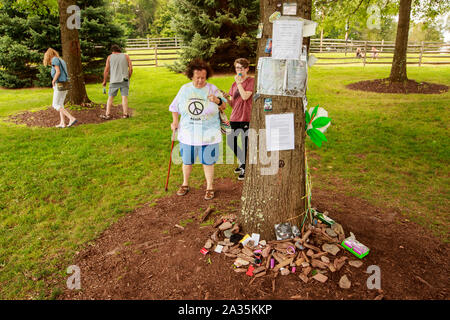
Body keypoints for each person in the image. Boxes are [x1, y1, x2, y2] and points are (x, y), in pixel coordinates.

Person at [169, 59, 226, 200]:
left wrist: (217, 100)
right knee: (187, 160)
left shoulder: (213, 89)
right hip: (189, 132)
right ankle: (185, 184)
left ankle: (210, 187)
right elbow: (174, 107)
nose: (200, 80)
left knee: (208, 161)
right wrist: (175, 121)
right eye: (197, 78)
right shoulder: (185, 89)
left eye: (203, 78)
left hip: (208, 132)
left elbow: (224, 106)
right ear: (191, 76)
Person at [224, 58, 254, 181]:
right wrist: (227, 98)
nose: (239, 70)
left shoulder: (251, 81)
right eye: (237, 68)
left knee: (245, 142)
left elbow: (245, 96)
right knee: (231, 141)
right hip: (235, 117)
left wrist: (239, 83)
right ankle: (243, 162)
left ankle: (244, 167)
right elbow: (233, 103)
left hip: (246, 117)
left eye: (241, 68)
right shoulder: (233, 84)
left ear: (247, 69)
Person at [43, 48, 77, 128]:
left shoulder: (54, 60)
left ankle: (71, 118)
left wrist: (53, 81)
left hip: (59, 84)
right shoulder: (60, 60)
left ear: (49, 55)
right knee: (61, 104)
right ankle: (62, 123)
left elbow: (58, 72)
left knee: (55, 104)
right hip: (65, 84)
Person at [101, 45, 133, 119]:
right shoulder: (126, 56)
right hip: (124, 80)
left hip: (113, 81)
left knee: (110, 97)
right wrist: (128, 77)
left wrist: (104, 81)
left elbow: (106, 70)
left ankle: (107, 114)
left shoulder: (109, 57)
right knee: (124, 97)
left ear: (112, 51)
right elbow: (131, 69)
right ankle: (125, 114)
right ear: (119, 50)